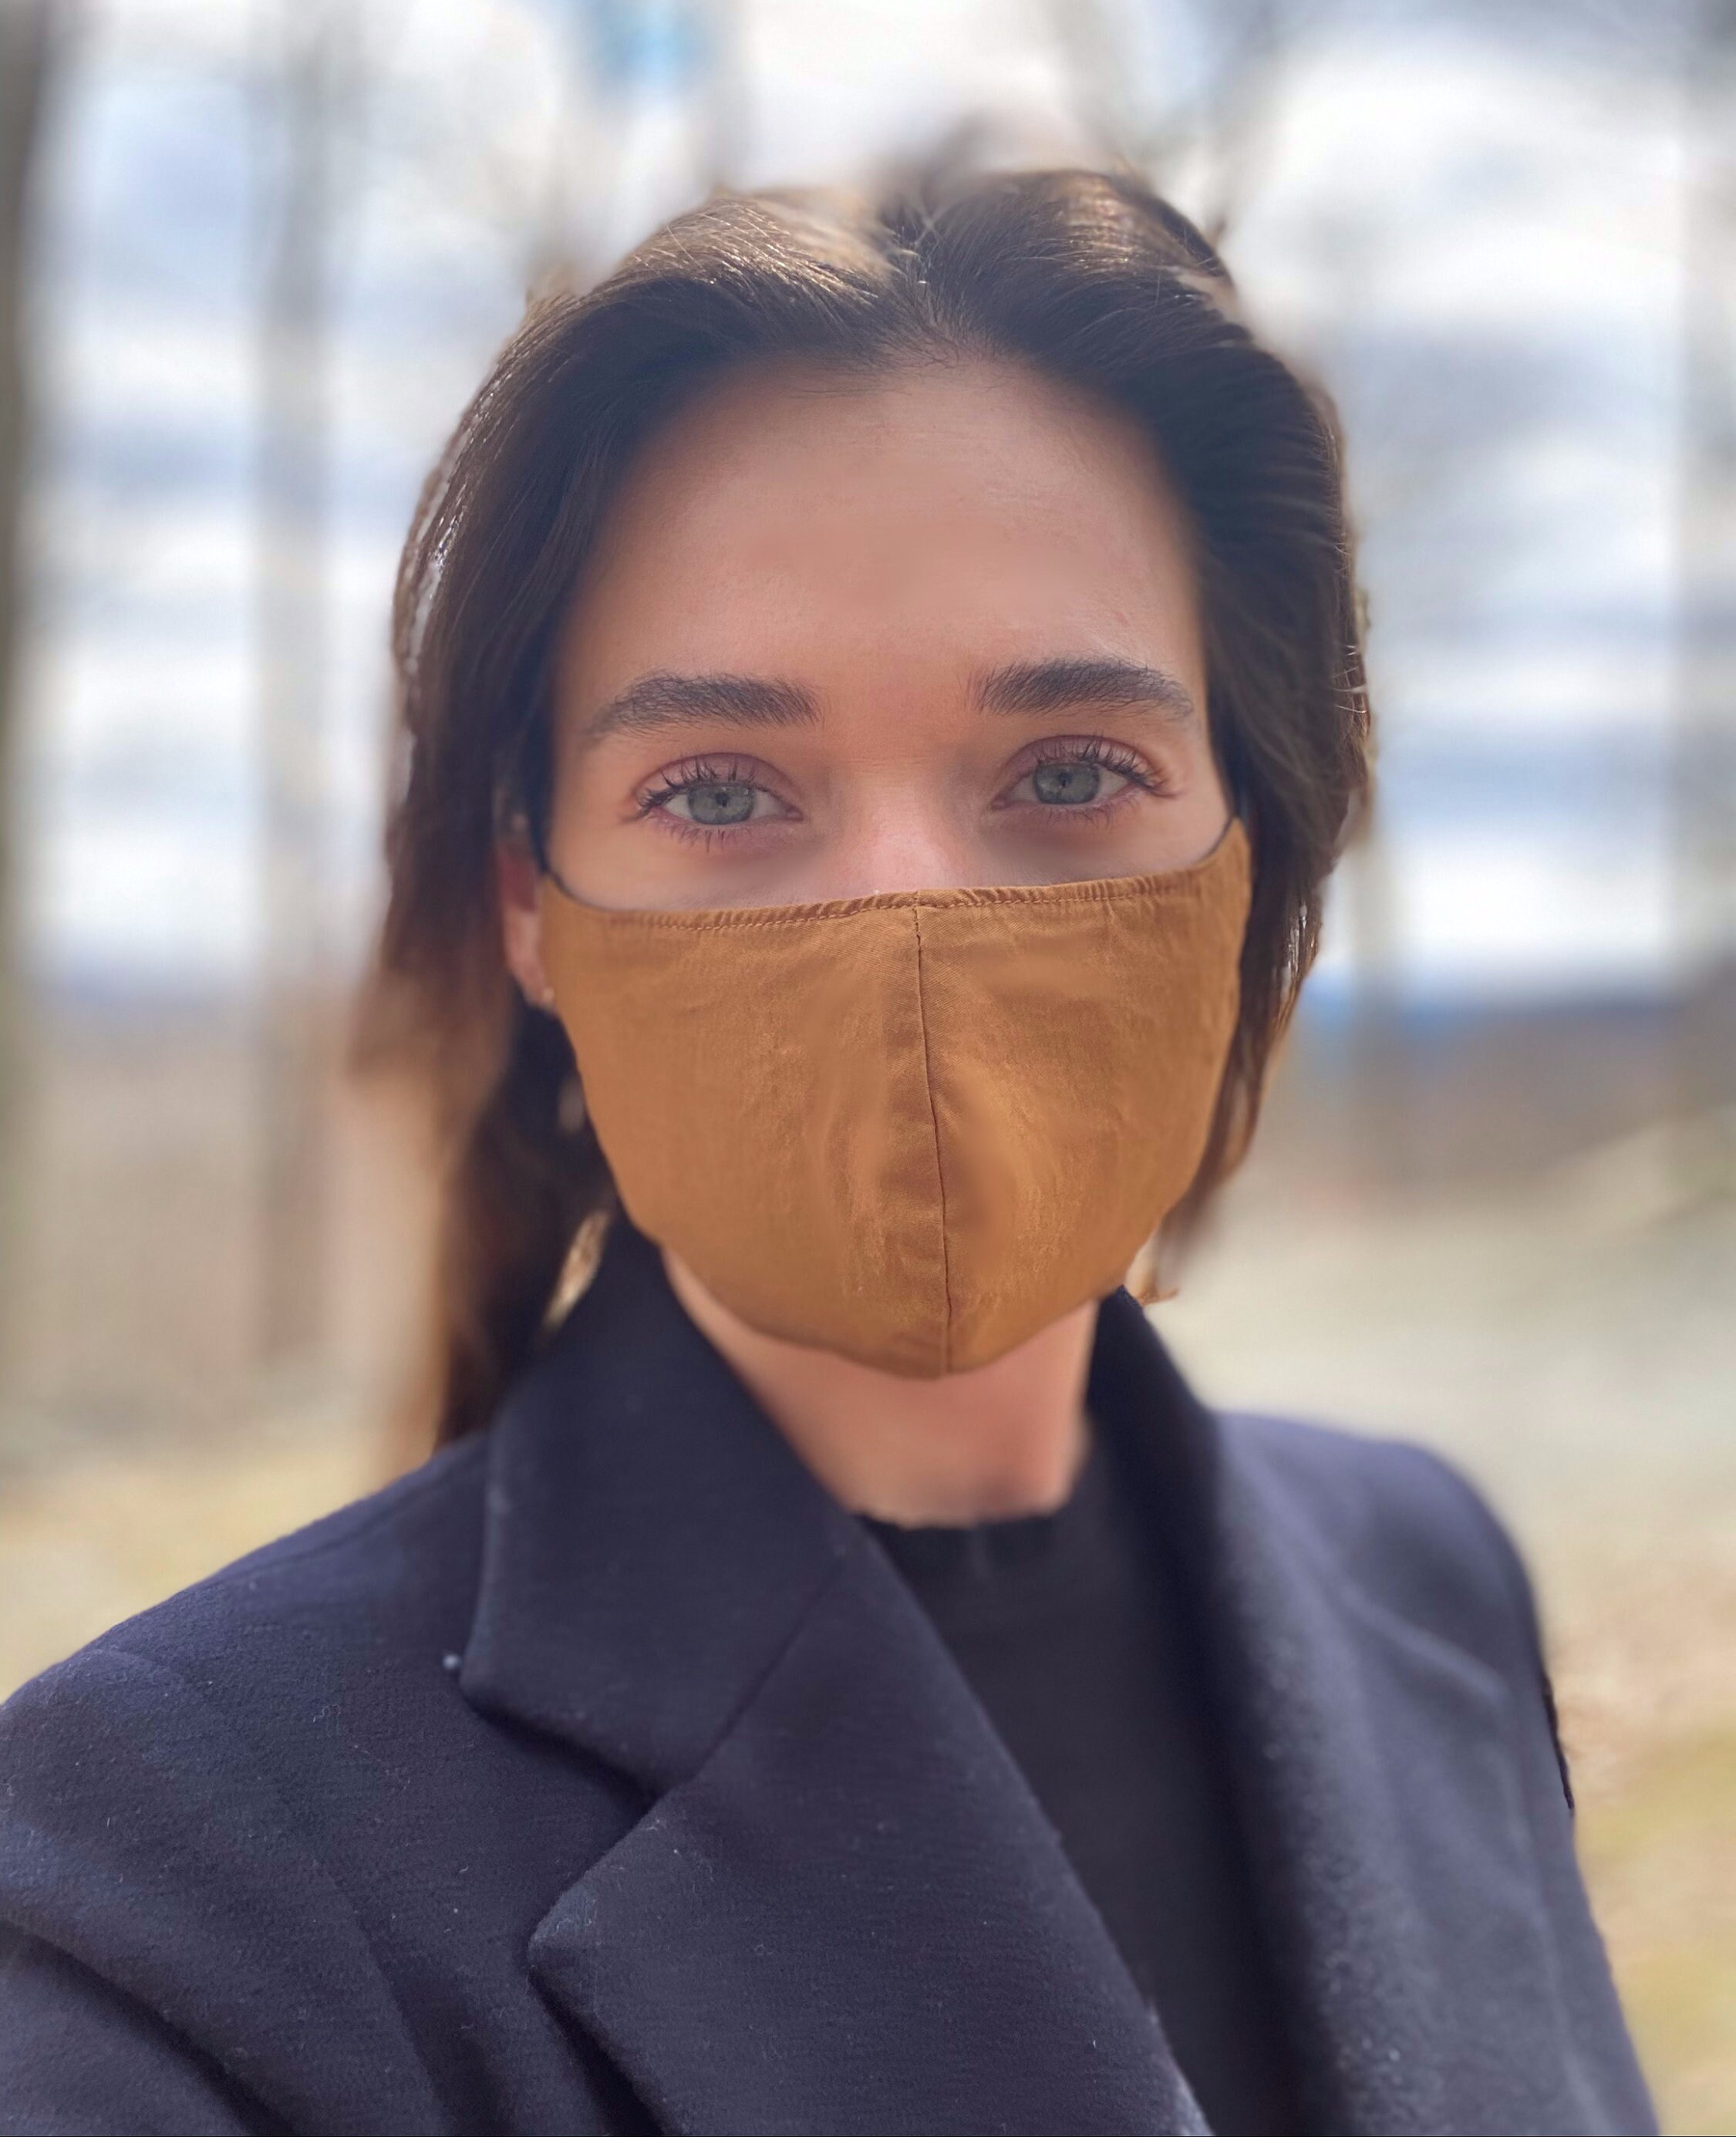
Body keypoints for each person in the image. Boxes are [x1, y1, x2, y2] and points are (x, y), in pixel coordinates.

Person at [0, 167, 1653, 2137]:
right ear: (531, 902)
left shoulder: (1428, 1576)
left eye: (1069, 772)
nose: (905, 920)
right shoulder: (156, 1879)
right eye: (719, 790)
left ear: (1252, 855)